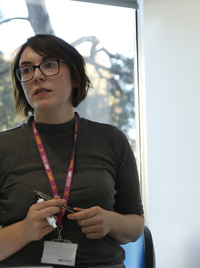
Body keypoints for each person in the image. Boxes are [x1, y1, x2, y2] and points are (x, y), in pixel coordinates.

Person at [0, 34, 144, 267]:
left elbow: (135, 225)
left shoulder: (111, 139)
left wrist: (111, 222)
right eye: (26, 70)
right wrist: (24, 231)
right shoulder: (4, 147)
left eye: (49, 65)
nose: (36, 75)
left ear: (75, 77)